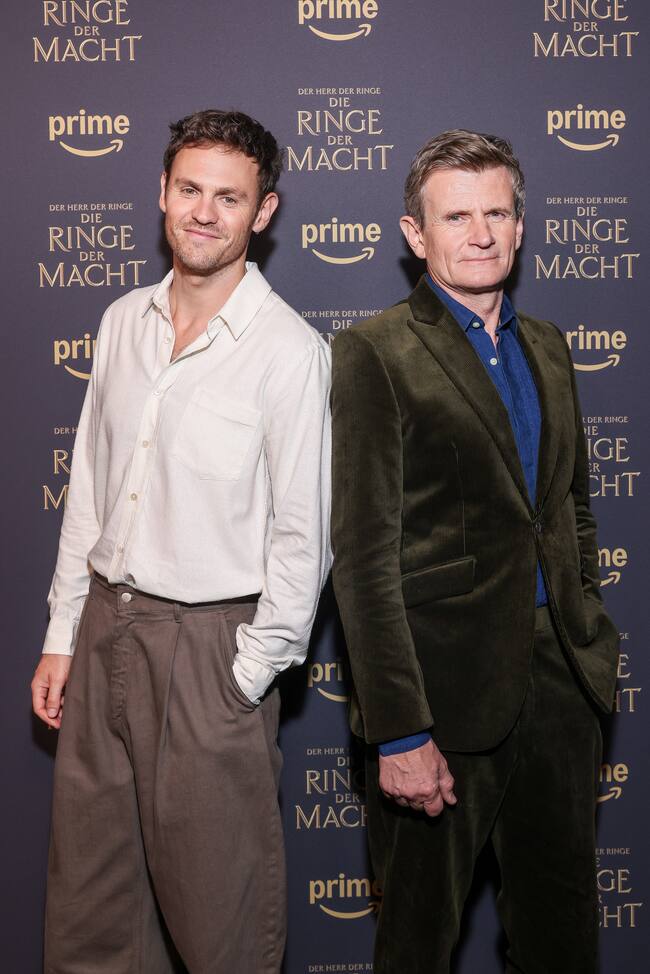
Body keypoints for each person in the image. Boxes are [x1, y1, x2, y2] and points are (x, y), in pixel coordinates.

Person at [31, 109, 331, 974]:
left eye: (228, 198)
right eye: (190, 189)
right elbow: (90, 489)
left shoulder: (289, 353)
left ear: (262, 213)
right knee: (92, 911)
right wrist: (63, 637)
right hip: (103, 635)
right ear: (162, 193)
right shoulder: (122, 319)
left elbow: (304, 541)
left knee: (221, 928)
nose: (204, 212)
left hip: (209, 651)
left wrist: (244, 675)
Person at [331, 129, 618, 974]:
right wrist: (398, 730)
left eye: (498, 211)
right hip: (441, 704)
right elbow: (363, 558)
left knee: (562, 936)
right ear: (416, 236)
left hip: (561, 686)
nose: (481, 233)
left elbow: (572, 511)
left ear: (522, 226)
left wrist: (585, 623)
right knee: (418, 941)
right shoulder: (374, 352)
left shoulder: (552, 347)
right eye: (457, 215)